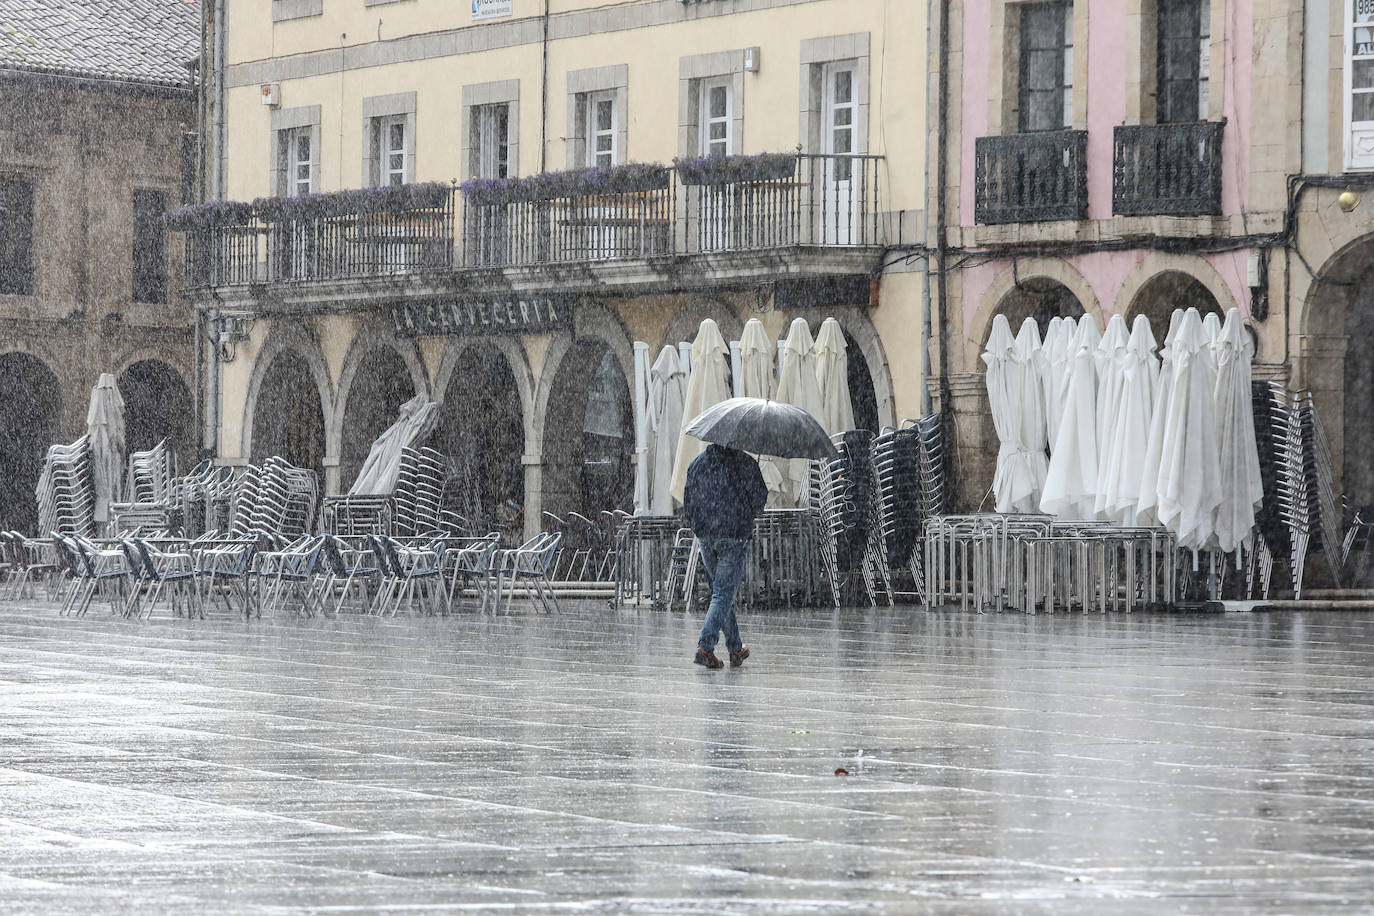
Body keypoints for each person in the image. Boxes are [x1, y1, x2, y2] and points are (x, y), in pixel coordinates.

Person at [683, 443, 768, 669]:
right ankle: (705, 646)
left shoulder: (697, 464)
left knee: (721, 593)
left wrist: (698, 526)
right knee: (723, 594)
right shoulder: (745, 462)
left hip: (705, 537)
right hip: (733, 535)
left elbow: (688, 503)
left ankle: (735, 648)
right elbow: (760, 500)